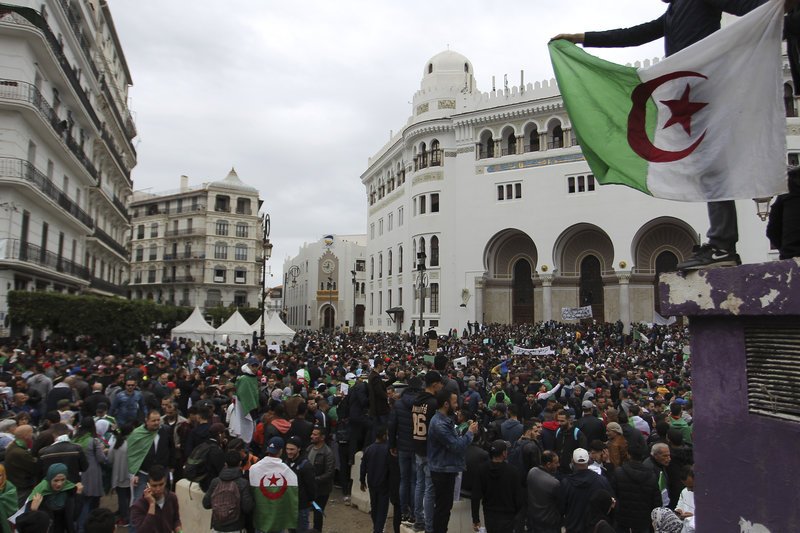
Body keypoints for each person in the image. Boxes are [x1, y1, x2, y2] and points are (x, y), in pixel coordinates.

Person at [551, 0, 792, 270]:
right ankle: (721, 243)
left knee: (712, 167)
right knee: (708, 168)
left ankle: (723, 244)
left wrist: (780, 9)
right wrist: (582, 38)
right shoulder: (673, 12)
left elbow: (749, 6)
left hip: (705, 91)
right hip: (689, 98)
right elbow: (634, 35)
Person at [427, 390, 477, 533]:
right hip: (443, 470)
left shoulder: (445, 420)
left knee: (444, 508)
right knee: (443, 509)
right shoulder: (439, 424)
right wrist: (470, 432)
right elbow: (456, 446)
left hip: (446, 468)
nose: (457, 406)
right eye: (454, 402)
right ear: (446, 404)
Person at [412, 370, 443, 533]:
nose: (441, 386)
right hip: (430, 449)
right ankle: (429, 526)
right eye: (440, 383)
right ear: (435, 384)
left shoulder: (416, 401)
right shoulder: (433, 403)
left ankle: (419, 519)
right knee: (429, 489)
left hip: (417, 445)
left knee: (420, 484)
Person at [470, 440, 523, 533]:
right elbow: (518, 497)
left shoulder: (482, 470)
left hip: (489, 515)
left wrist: (476, 519)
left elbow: (475, 496)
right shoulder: (513, 471)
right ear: (504, 453)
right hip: (508, 515)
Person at [560, 448, 612, 533]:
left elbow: (561, 508)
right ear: (588, 460)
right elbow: (610, 505)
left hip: (573, 528)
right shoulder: (601, 481)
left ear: (572, 461)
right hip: (594, 529)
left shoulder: (566, 483)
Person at [611, 447, 663, 533]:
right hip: (643, 522)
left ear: (628, 455)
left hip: (623, 521)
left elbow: (612, 497)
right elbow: (657, 502)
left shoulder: (619, 473)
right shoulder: (651, 476)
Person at [202, 450, 254, 533]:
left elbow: (206, 504)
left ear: (225, 464)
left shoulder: (215, 482)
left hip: (217, 528)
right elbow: (247, 508)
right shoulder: (243, 483)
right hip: (236, 528)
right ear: (240, 463)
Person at [72, 417, 108, 533]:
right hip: (91, 474)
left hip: (76, 473)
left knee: (79, 501)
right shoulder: (93, 441)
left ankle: (78, 526)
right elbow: (101, 459)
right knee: (87, 502)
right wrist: (105, 452)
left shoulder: (74, 439)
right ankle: (83, 528)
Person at [25, 462, 82, 533]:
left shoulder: (69, 490)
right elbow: (27, 524)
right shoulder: (40, 492)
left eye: (63, 480)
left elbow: (75, 516)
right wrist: (33, 510)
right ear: (49, 479)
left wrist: (78, 495)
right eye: (56, 480)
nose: (59, 484)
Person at [129, 464, 182, 533]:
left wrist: (180, 531)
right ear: (148, 485)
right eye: (154, 486)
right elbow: (143, 531)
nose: (158, 489)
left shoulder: (172, 498)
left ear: (165, 482)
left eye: (161, 484)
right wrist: (152, 504)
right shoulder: (138, 506)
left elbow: (176, 520)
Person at [361, 426, 391, 533]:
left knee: (374, 507)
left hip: (371, 483)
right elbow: (390, 468)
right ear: (384, 436)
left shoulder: (368, 449)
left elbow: (363, 467)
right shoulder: (387, 450)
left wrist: (362, 481)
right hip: (384, 484)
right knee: (382, 510)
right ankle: (378, 530)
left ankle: (376, 528)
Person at [284, 435, 315, 533]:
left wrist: (309, 501)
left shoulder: (306, 466)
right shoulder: (286, 463)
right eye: (287, 449)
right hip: (290, 505)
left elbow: (311, 487)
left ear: (299, 449)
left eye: (292, 449)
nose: (289, 452)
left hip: (301, 507)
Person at [306, 426, 335, 531]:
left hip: (322, 490)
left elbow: (329, 473)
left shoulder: (327, 453)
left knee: (318, 513)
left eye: (315, 434)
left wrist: (314, 480)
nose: (312, 436)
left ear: (322, 437)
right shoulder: (309, 449)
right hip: (310, 488)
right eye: (312, 434)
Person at [527, 450, 561, 533]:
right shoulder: (554, 483)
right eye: (556, 463)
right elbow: (560, 505)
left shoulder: (532, 472)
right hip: (549, 525)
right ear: (548, 464)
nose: (558, 465)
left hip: (533, 521)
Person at [5, 424, 38, 506]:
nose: (32, 437)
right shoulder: (20, 453)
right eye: (31, 434)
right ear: (26, 436)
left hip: (16, 483)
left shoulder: (13, 445)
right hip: (22, 487)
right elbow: (35, 467)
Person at [108, 423, 133, 528]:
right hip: (131, 475)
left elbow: (110, 459)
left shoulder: (116, 443)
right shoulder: (132, 443)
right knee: (130, 496)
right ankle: (129, 517)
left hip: (118, 476)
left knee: (122, 498)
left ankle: (124, 517)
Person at [554, 409, 587, 475]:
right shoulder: (558, 432)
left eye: (562, 421)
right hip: (559, 468)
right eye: (558, 421)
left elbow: (583, 450)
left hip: (572, 470)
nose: (559, 423)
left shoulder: (577, 433)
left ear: (569, 420)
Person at [0, 465, 18, 533]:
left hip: (7, 523)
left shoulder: (10, 488)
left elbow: (13, 509)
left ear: (3, 475)